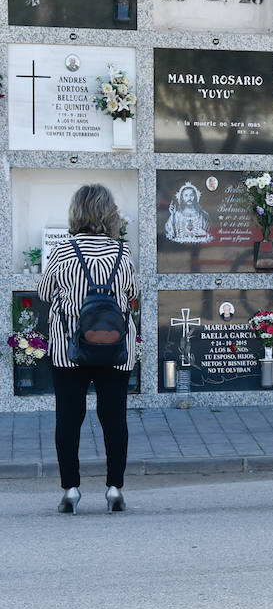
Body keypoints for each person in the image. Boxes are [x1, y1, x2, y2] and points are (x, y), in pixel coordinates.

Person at [38, 184, 140, 514]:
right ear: (109, 214)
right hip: (115, 351)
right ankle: (114, 488)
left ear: (77, 212)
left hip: (68, 351)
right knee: (114, 419)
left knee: (68, 419)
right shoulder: (122, 253)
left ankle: (71, 490)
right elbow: (134, 292)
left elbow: (43, 293)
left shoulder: (62, 253)